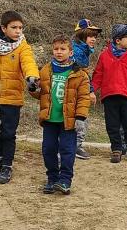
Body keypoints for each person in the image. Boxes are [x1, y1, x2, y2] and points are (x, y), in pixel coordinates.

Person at [0, 10, 39, 184]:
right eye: (14, 27)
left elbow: (28, 62)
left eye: (21, 27)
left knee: (8, 133)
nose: (18, 31)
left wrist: (31, 77)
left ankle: (7, 165)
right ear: (3, 28)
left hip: (12, 98)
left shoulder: (23, 46)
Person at [32, 35, 91, 195]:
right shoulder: (45, 70)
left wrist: (80, 117)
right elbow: (41, 94)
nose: (59, 52)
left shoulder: (80, 74)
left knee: (67, 150)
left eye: (63, 49)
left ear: (71, 52)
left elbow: (84, 98)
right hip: (50, 119)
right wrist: (32, 89)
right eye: (56, 49)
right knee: (48, 149)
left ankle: (65, 180)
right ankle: (52, 178)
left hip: (69, 121)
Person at [91, 24, 127, 163]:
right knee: (112, 124)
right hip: (109, 96)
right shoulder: (104, 56)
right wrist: (91, 90)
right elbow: (98, 75)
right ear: (118, 40)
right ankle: (116, 148)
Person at [71, 18, 102, 160]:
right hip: (75, 90)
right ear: (81, 35)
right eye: (90, 36)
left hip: (77, 88)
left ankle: (74, 144)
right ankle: (75, 145)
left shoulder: (83, 50)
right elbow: (80, 74)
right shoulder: (76, 52)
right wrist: (90, 91)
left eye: (95, 36)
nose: (94, 39)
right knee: (80, 116)